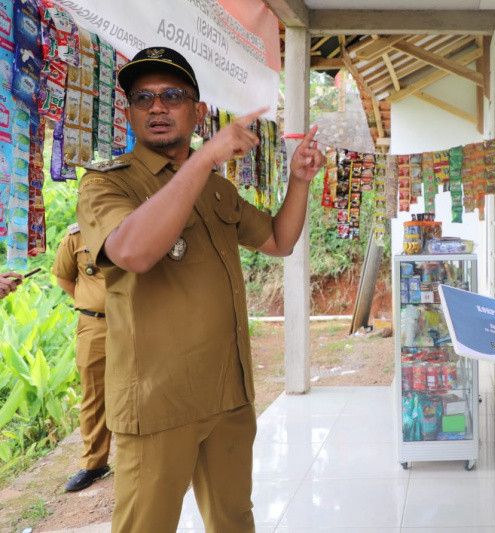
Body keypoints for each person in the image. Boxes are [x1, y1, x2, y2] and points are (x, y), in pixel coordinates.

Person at [76, 46, 324, 532]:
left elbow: (278, 240)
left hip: (228, 394)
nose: (157, 108)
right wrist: (206, 155)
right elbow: (133, 253)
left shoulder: (216, 189)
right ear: (129, 111)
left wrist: (299, 181)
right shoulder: (108, 185)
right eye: (143, 98)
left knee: (234, 521)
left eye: (172, 95)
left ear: (198, 110)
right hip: (158, 403)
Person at [52, 222, 112, 492]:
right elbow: (63, 277)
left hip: (136, 323)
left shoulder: (134, 224)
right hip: (94, 325)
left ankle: (151, 453)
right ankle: (95, 464)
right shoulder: (75, 237)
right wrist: (91, 300)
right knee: (94, 394)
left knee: (145, 385)